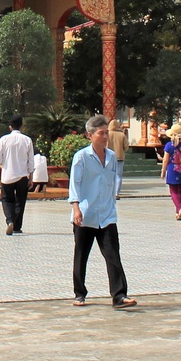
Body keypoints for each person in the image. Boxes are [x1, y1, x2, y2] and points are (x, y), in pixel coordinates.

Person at [69, 114, 134, 308]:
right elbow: (75, 184)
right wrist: (76, 208)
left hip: (106, 215)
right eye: (101, 133)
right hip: (85, 214)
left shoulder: (112, 156)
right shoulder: (81, 157)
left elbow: (111, 182)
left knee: (113, 255)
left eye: (106, 132)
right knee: (81, 255)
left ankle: (119, 295)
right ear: (90, 135)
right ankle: (79, 293)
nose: (105, 137)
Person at [0, 116, 36, 236]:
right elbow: (31, 161)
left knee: (7, 199)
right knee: (20, 201)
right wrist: (31, 177)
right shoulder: (27, 140)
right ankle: (17, 226)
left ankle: (9, 220)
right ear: (21, 126)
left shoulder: (4, 139)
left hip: (7, 175)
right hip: (23, 176)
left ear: (10, 127)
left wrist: (4, 165)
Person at [161, 136, 181, 221]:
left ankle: (179, 209)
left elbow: (165, 160)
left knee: (173, 191)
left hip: (173, 169)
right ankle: (178, 213)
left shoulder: (169, 145)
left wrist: (163, 171)